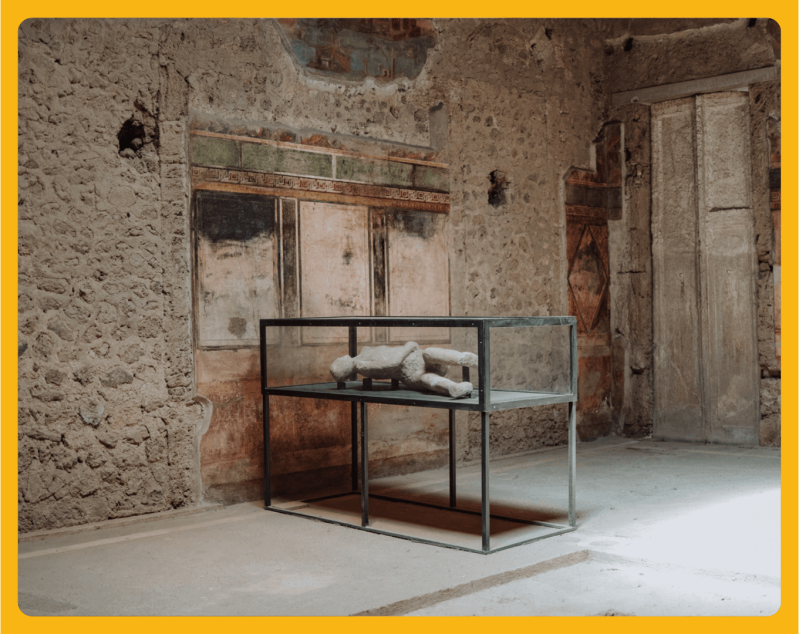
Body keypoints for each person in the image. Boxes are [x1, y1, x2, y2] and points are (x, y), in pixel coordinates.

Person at [330, 341, 478, 399]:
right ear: (344, 369)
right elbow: (392, 364)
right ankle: (453, 388)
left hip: (412, 363)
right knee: (425, 374)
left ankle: (464, 358)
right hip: (408, 367)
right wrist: (409, 346)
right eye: (338, 363)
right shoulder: (361, 365)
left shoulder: (364, 353)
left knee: (428, 355)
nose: (340, 358)